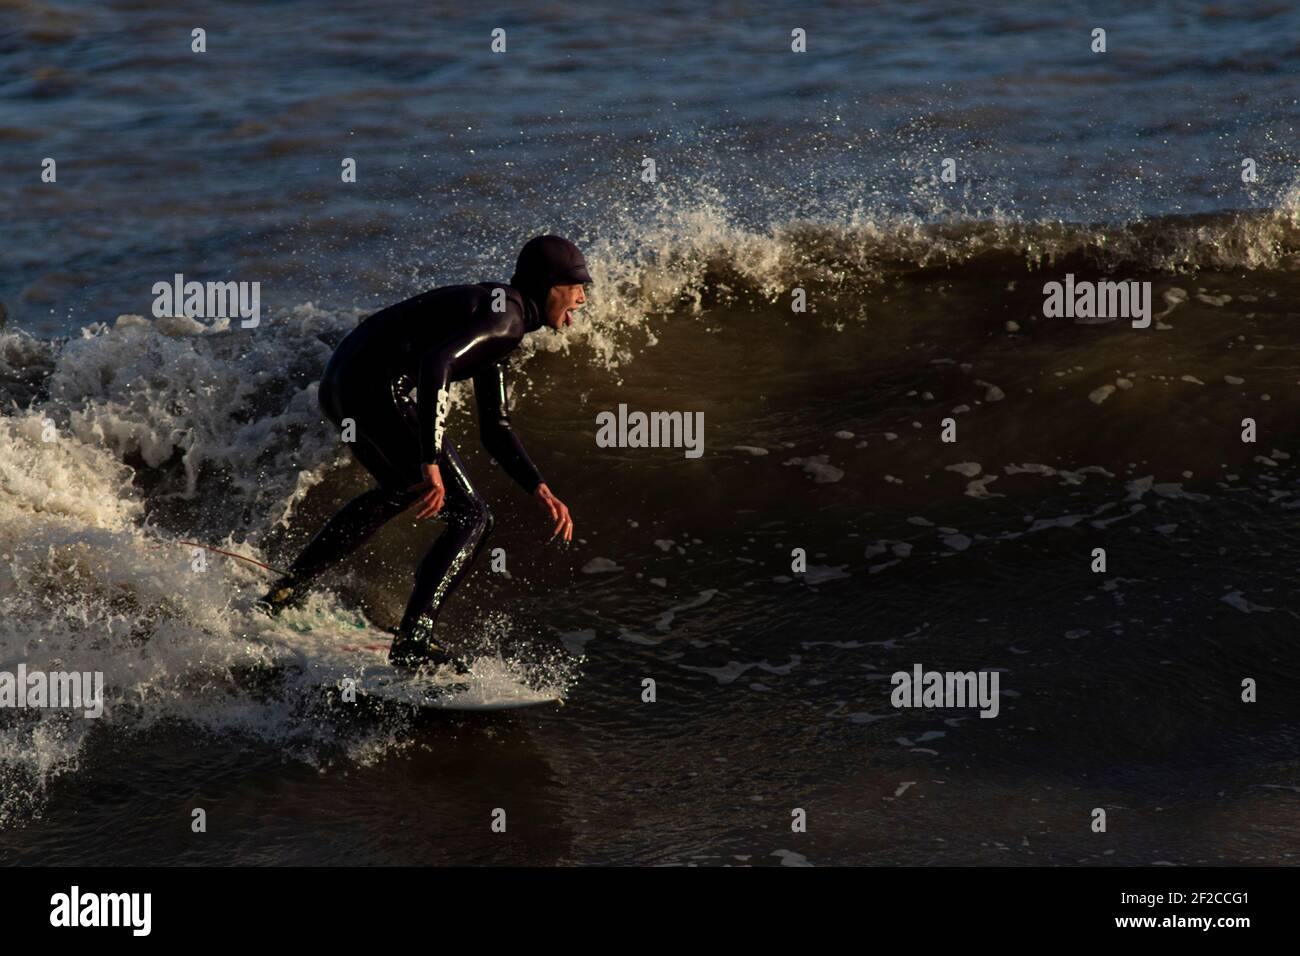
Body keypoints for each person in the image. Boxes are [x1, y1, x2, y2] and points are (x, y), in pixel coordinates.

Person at [256, 235, 588, 669]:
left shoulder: (501, 314)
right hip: (373, 387)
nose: (582, 298)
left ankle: (287, 590)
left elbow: (496, 426)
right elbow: (437, 366)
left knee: (400, 488)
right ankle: (415, 638)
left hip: (342, 385)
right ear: (549, 285)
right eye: (576, 286)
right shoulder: (504, 319)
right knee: (472, 515)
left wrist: (538, 487)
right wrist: (428, 457)